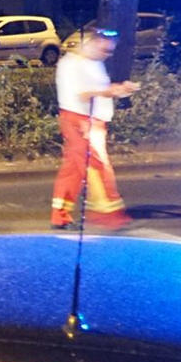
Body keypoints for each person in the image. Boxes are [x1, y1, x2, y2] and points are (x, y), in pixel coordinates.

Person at [50, 23, 138, 230]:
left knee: (75, 169)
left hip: (92, 122)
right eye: (105, 49)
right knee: (97, 166)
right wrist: (112, 91)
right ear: (92, 42)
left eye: (110, 51)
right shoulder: (71, 64)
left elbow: (98, 89)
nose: (107, 55)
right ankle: (108, 215)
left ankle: (60, 215)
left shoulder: (94, 62)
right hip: (79, 121)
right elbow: (83, 94)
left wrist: (117, 90)